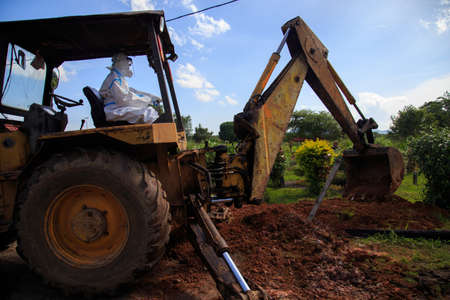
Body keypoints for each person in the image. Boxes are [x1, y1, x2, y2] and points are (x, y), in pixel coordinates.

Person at [99, 53, 161, 124]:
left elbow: (133, 92)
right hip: (115, 110)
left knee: (150, 111)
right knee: (148, 113)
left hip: (118, 108)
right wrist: (148, 100)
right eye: (127, 61)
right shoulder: (114, 78)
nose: (129, 65)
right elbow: (124, 99)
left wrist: (152, 97)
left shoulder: (119, 78)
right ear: (119, 63)